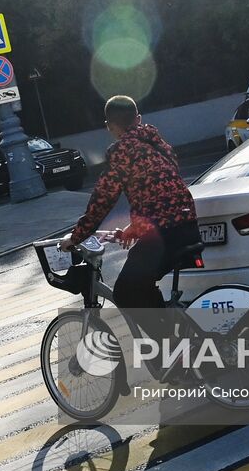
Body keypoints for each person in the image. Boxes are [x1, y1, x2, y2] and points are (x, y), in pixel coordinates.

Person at [64, 96, 197, 355]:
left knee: (126, 293)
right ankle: (176, 348)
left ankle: (174, 352)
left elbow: (103, 199)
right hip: (188, 226)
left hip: (163, 236)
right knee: (143, 285)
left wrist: (76, 236)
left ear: (110, 126)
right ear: (138, 119)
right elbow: (159, 193)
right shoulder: (159, 145)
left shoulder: (122, 151)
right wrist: (132, 230)